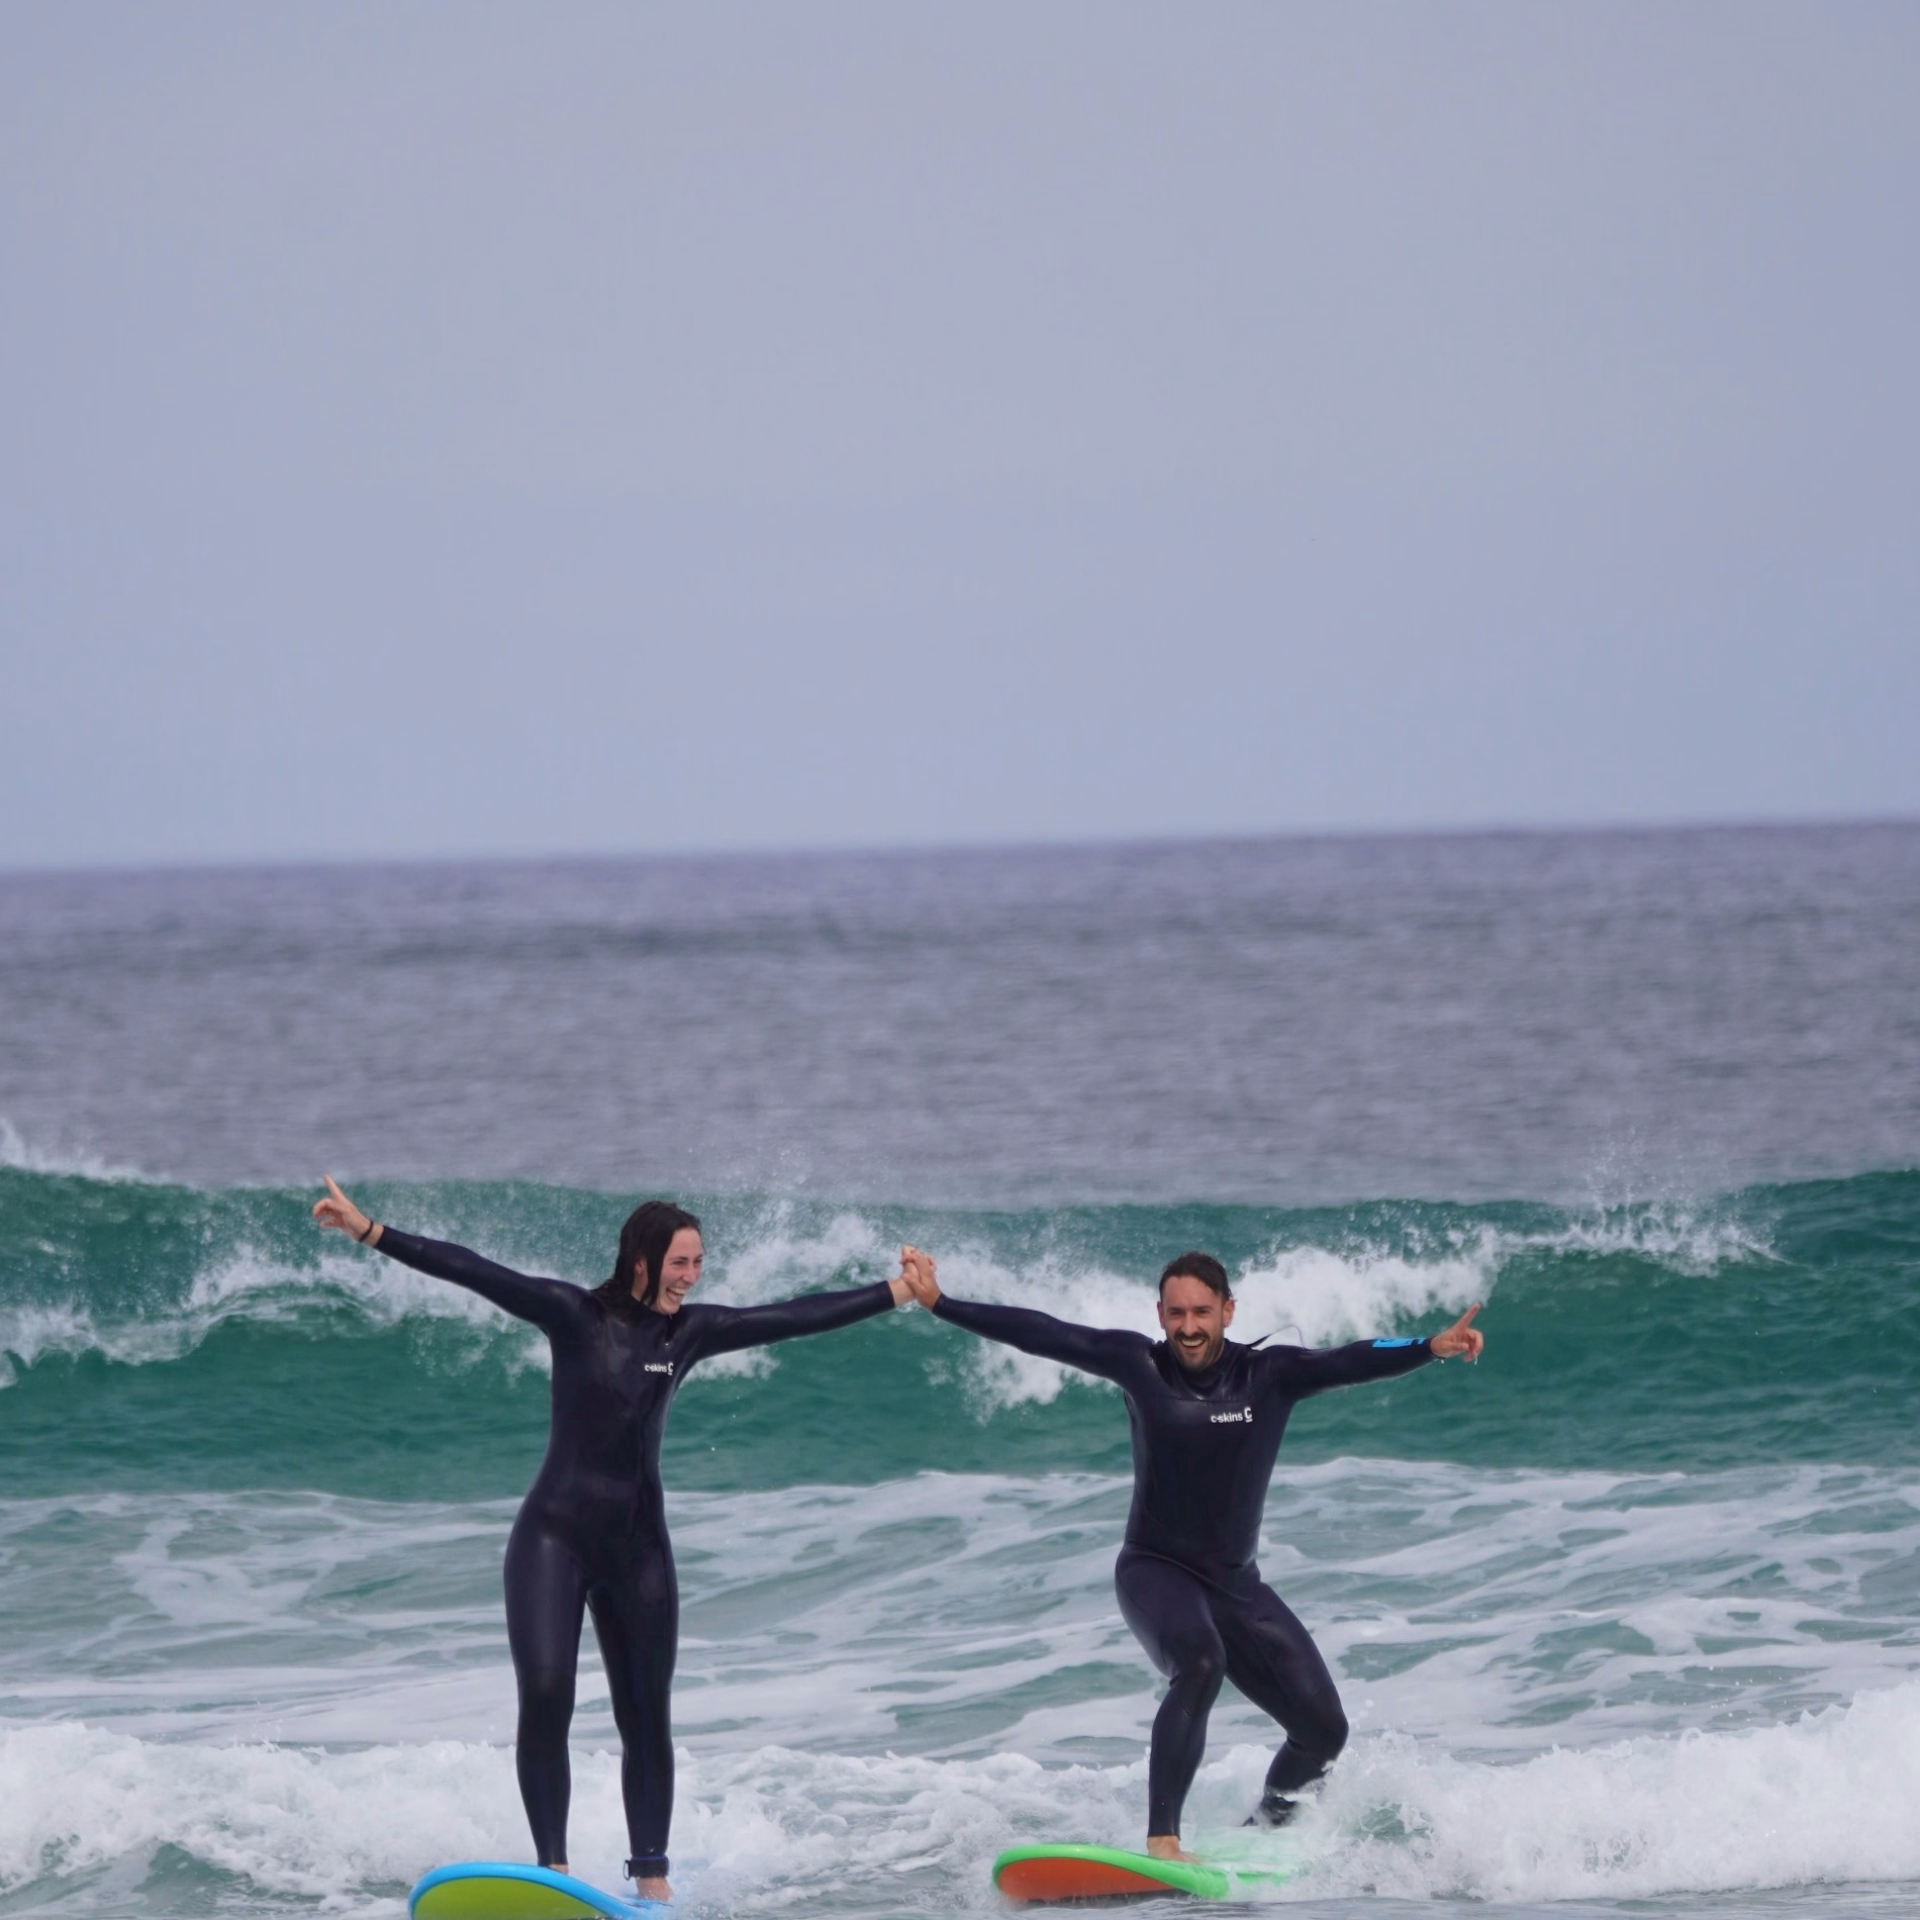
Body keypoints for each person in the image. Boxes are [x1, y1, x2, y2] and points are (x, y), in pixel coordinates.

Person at [313, 1177, 912, 1900]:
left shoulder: (686, 1333)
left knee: (645, 1714)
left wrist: (897, 1292)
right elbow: (474, 1270)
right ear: (642, 1261)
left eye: (698, 1264)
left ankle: (651, 1882)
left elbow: (791, 1316)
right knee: (545, 1691)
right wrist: (371, 1231)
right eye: (681, 1263)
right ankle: (553, 1871)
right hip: (552, 1538)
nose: (692, 1278)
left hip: (639, 1550)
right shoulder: (574, 1315)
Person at [894, 1246, 1484, 1858]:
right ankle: (1162, 1842)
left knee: (1323, 1733)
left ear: (1228, 1311)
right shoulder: (1139, 1365)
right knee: (1200, 1662)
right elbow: (1044, 1333)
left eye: (1202, 1312)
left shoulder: (1270, 1374)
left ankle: (1269, 1830)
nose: (1189, 1327)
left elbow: (1349, 1359)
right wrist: (941, 1304)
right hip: (1154, 1569)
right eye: (1176, 1313)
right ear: (1160, 1313)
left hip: (1235, 1583)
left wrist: (1430, 1346)